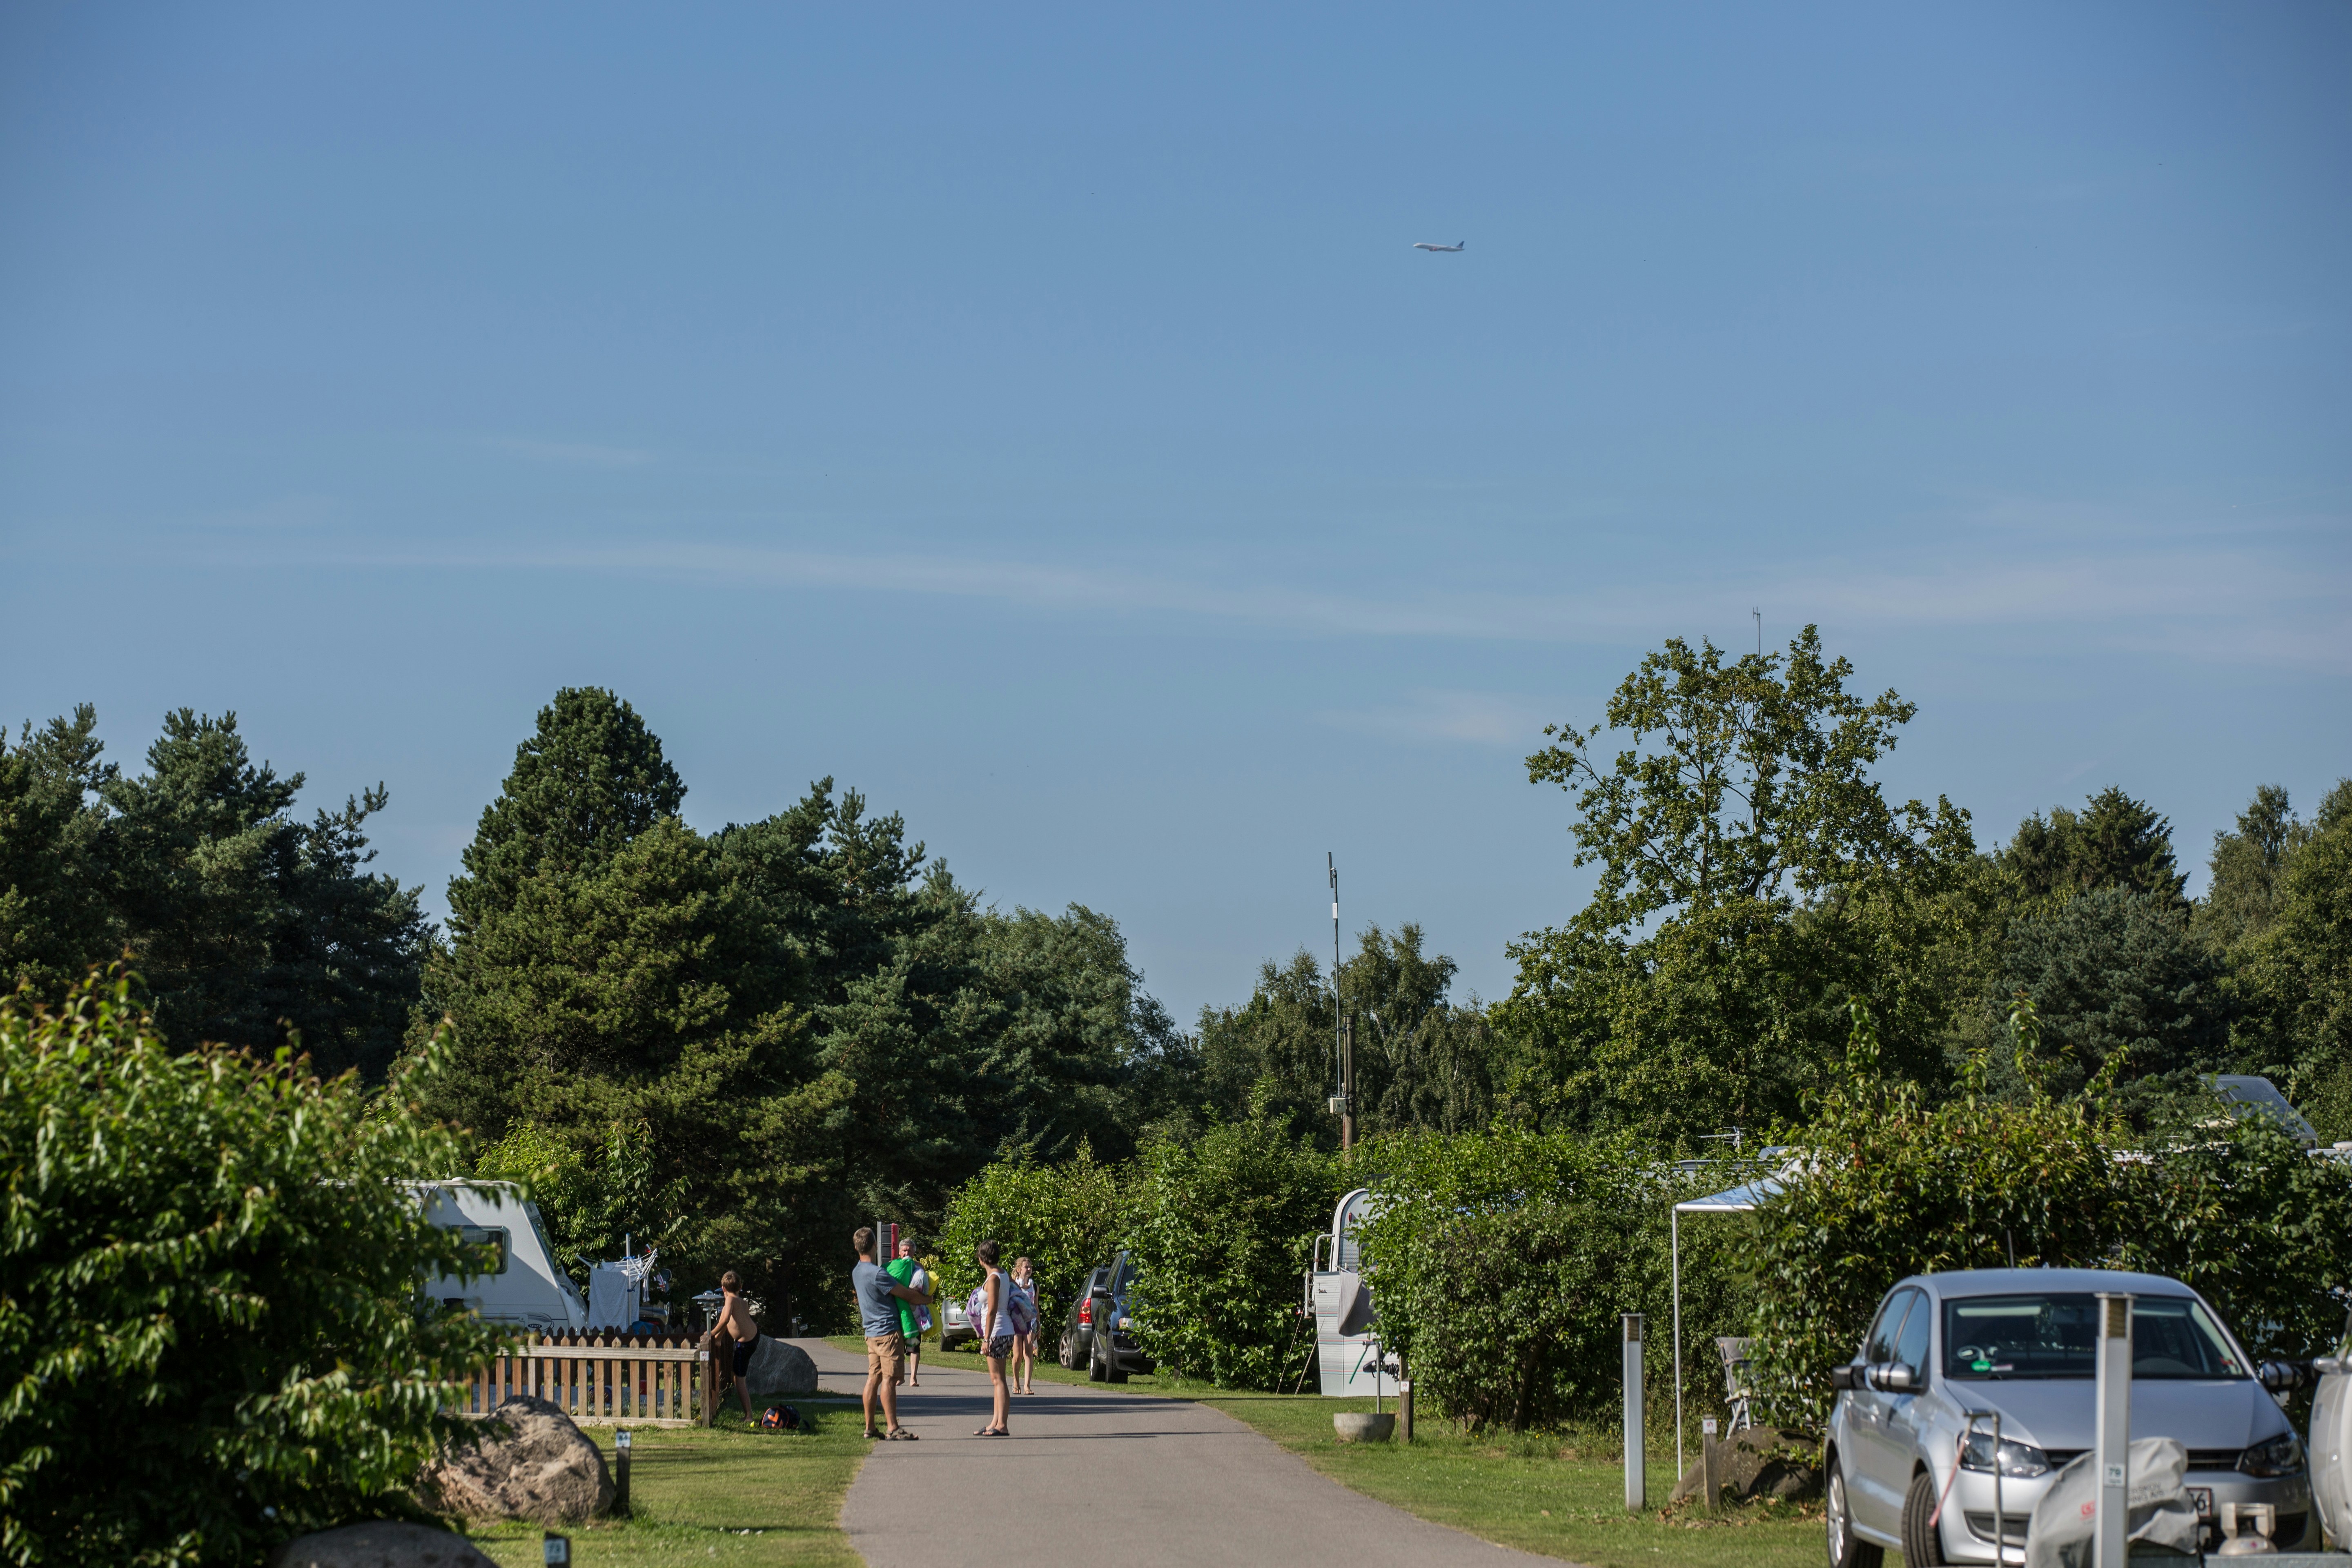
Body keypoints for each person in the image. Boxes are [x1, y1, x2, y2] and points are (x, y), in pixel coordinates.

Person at [852, 1226, 931, 1440]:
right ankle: (893, 1428)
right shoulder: (879, 1274)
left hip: (871, 1333)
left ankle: (870, 1427)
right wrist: (928, 1300)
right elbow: (908, 1296)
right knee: (889, 1380)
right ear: (875, 1246)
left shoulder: (857, 1271)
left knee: (873, 1379)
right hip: (888, 1333)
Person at [704, 1270, 760, 1423]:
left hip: (745, 1344)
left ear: (723, 1289)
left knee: (739, 1380)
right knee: (739, 1377)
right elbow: (727, 1320)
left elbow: (724, 1320)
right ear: (740, 1287)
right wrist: (719, 1338)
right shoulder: (742, 1301)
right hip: (754, 1336)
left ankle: (749, 1416)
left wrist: (711, 1333)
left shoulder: (730, 1300)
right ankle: (748, 1414)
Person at [973, 1239, 1013, 1437]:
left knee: (998, 1380)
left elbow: (992, 1310)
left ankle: (1002, 1425)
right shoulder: (1002, 1273)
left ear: (982, 1259)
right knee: (997, 1380)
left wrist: (986, 1338)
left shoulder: (994, 1279)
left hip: (998, 1331)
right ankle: (995, 1422)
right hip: (1004, 1331)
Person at [886, 1234, 930, 1388]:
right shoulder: (894, 1265)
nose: (907, 1254)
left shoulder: (919, 1267)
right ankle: (901, 1376)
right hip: (898, 1310)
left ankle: (913, 1377)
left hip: (915, 1311)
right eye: (904, 1251)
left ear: (914, 1253)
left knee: (914, 1344)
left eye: (910, 1251)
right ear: (899, 1253)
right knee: (898, 1345)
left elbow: (924, 1287)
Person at [1008, 1256, 1039, 1395]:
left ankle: (1027, 1386)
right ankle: (1016, 1381)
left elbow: (1036, 1306)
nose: (1029, 1269)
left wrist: (1039, 1323)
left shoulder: (1035, 1286)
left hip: (1030, 1324)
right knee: (1018, 1355)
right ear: (1019, 1269)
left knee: (1028, 1353)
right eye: (1026, 1267)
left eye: (1030, 1267)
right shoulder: (1014, 1285)